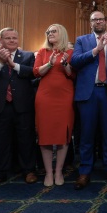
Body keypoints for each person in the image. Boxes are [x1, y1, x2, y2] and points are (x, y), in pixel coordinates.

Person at [71, 11, 107, 189]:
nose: (98, 22)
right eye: (95, 20)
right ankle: (84, 172)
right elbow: (75, 61)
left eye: (101, 19)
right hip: (88, 93)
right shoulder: (82, 40)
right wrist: (95, 51)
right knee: (86, 135)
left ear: (105, 22)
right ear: (90, 23)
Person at [0, 28, 38, 188]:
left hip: (23, 105)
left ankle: (29, 171)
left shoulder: (27, 56)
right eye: (8, 38)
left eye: (14, 38)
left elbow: (33, 73)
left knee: (26, 139)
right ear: (1, 40)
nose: (12, 40)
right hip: (0, 105)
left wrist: (14, 65)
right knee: (0, 141)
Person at [33, 24, 75, 187]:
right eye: (48, 32)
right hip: (45, 97)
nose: (50, 33)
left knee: (63, 136)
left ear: (62, 34)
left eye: (53, 31)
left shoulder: (70, 52)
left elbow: (73, 74)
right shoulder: (42, 52)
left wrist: (64, 64)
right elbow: (36, 72)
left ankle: (59, 172)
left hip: (65, 97)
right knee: (45, 136)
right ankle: (49, 173)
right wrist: (50, 64)